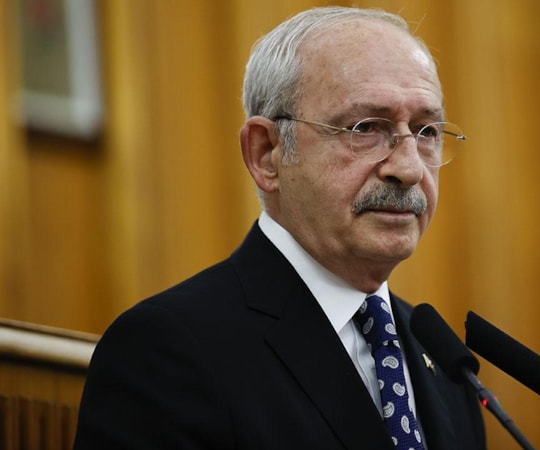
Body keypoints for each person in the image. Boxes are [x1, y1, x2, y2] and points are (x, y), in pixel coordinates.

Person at [73, 6, 485, 450]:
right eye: (365, 127)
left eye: (426, 132)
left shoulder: (448, 368)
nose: (408, 168)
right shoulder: (167, 351)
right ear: (267, 154)